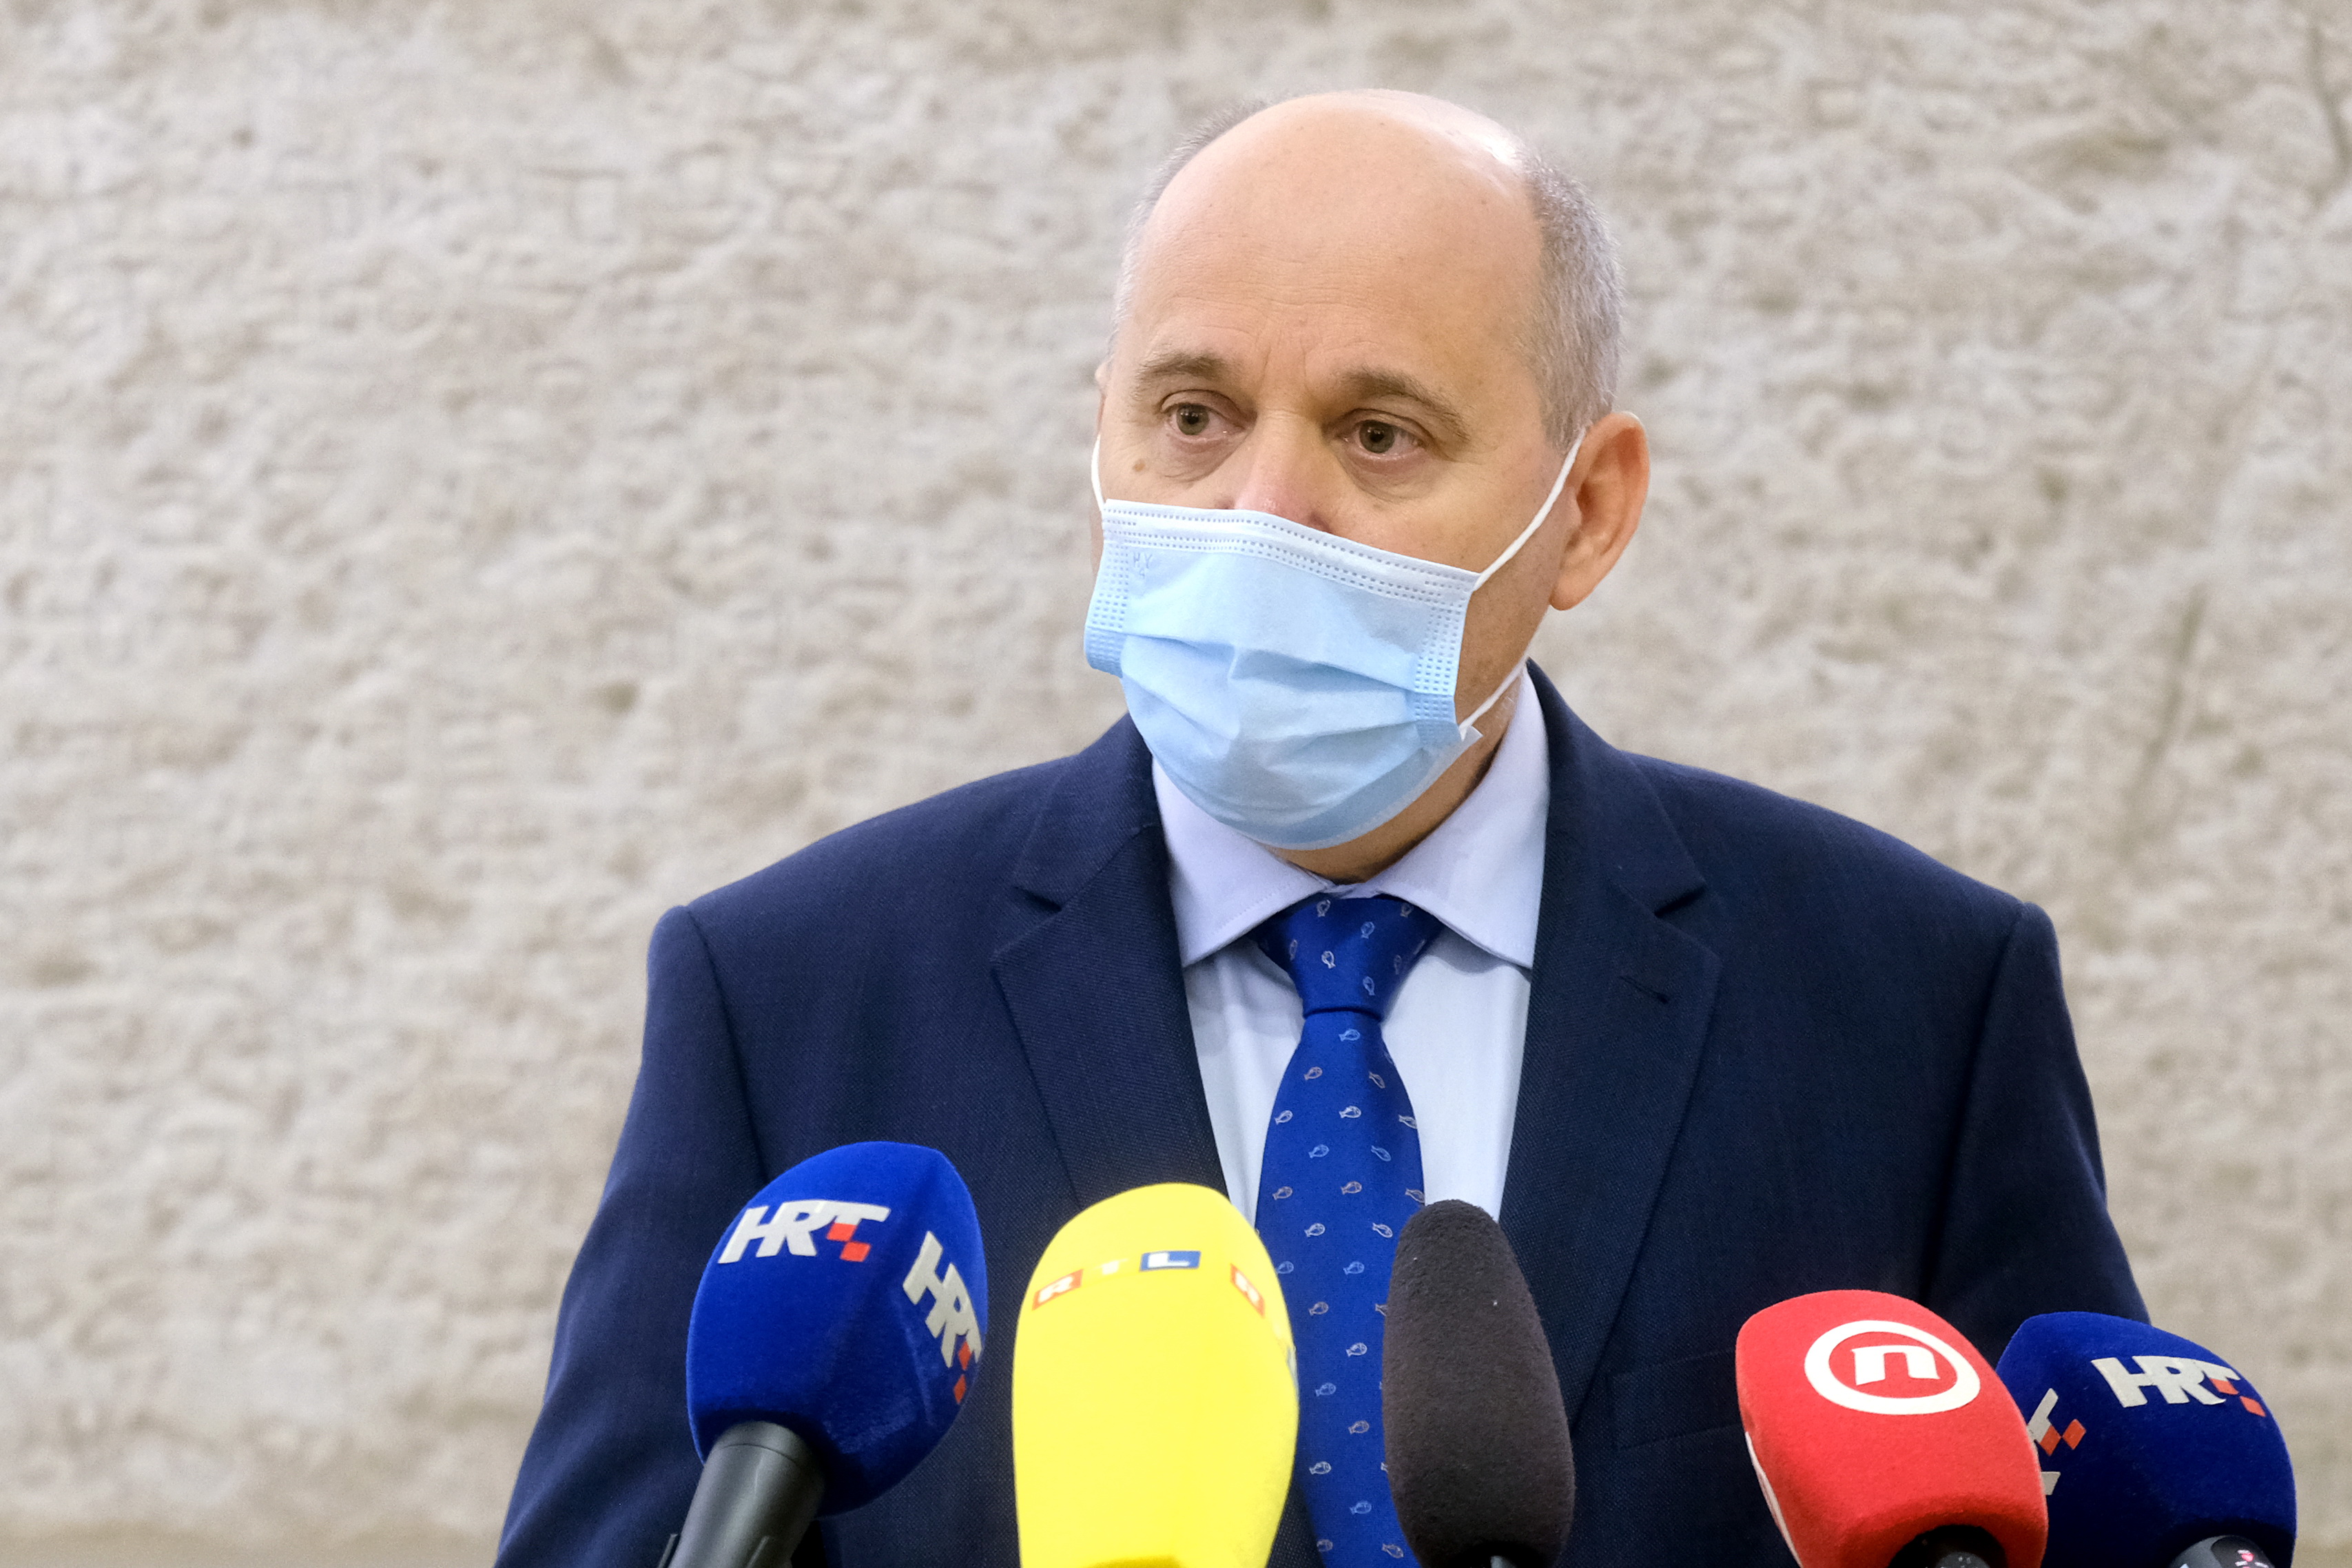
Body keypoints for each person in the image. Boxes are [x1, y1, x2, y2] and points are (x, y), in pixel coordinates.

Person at [495, 91, 2143, 1568]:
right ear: (1101, 433)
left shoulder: (1912, 1004)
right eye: (1194, 415)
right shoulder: (790, 999)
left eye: (1379, 434)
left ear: (1587, 511)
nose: (1262, 513)